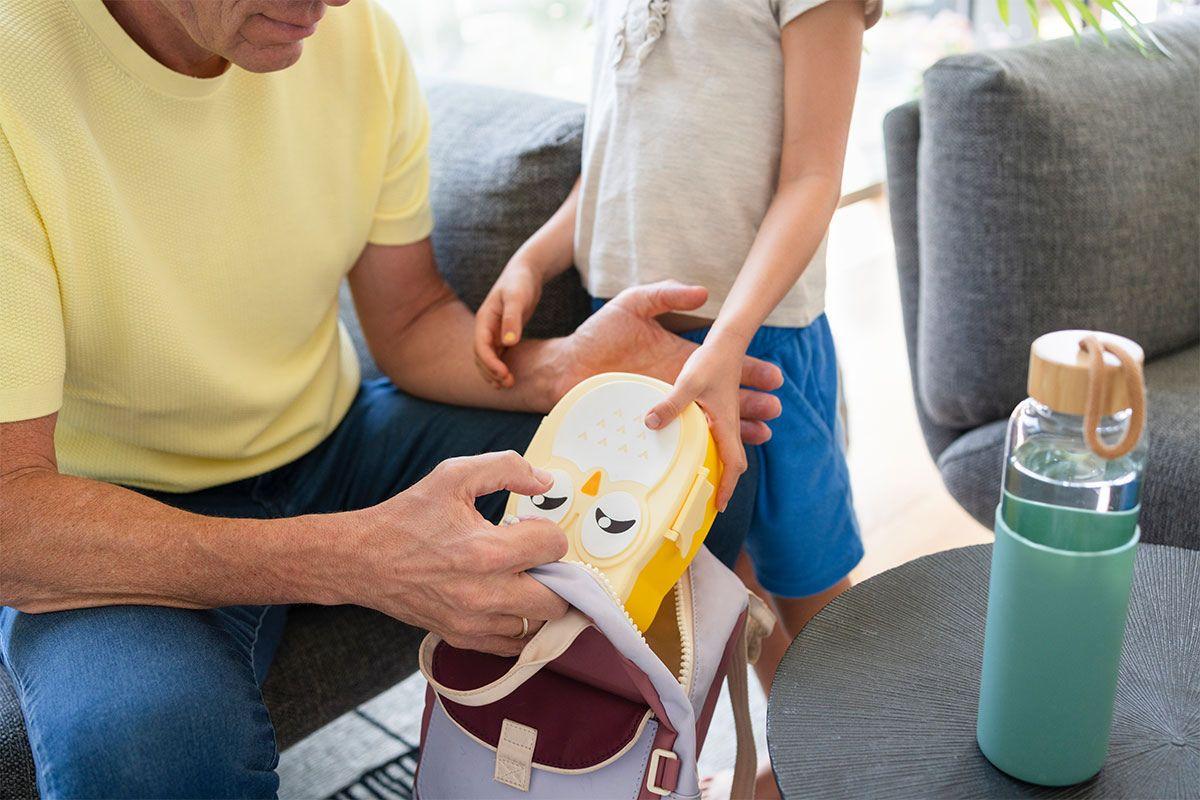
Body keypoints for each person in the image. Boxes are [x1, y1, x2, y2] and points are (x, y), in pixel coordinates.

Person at [0, 1, 786, 796]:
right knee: (147, 750)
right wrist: (356, 559)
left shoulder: (353, 37)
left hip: (337, 438)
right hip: (110, 505)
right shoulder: (15, 78)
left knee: (683, 471)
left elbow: (408, 321)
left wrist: (562, 368)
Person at [474, 0, 882, 795]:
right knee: (707, 586)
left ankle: (852, 763)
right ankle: (785, 768)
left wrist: (728, 341)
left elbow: (813, 175)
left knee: (809, 592)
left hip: (761, 350)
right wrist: (531, 260)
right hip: (629, 347)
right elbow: (612, 160)